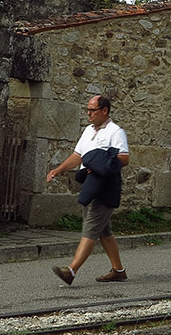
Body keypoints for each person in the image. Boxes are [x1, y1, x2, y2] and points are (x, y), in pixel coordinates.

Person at [45, 94, 130, 284]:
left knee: (91, 227)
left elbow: (124, 158)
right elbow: (78, 156)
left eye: (92, 110)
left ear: (104, 111)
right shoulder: (88, 131)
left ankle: (71, 271)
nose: (88, 113)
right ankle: (118, 271)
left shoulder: (116, 132)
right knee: (103, 231)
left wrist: (101, 163)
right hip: (90, 184)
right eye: (88, 110)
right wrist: (59, 170)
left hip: (105, 186)